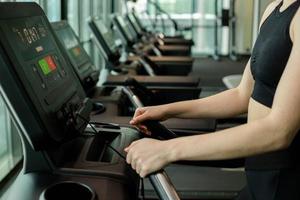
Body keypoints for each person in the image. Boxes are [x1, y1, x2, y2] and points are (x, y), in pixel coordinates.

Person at [125, 0, 300, 199]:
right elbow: (241, 95)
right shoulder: (272, 9)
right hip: (257, 171)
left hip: (285, 179)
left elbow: (279, 131)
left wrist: (167, 150)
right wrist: (167, 110)